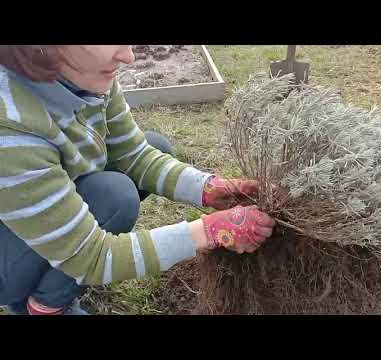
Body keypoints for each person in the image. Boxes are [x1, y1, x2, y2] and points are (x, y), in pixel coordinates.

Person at [0, 45, 276, 315]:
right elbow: (94, 257)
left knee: (157, 146)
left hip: (34, 214)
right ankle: (45, 305)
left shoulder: (84, 75)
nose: (128, 56)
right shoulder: (10, 126)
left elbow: (135, 154)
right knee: (114, 196)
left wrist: (208, 188)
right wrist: (210, 231)